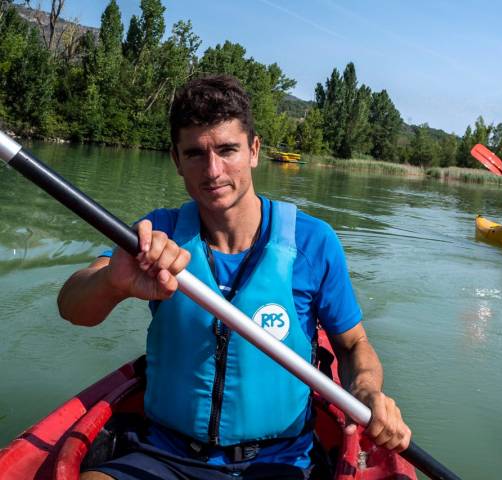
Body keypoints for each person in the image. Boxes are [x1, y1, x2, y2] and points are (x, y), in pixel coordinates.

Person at [57, 74, 411, 480]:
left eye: (227, 150)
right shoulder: (157, 234)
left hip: (278, 460)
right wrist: (111, 283)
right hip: (163, 452)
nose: (213, 171)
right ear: (176, 160)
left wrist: (366, 393)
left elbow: (352, 345)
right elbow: (71, 307)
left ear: (254, 150)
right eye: (195, 154)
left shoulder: (314, 243)